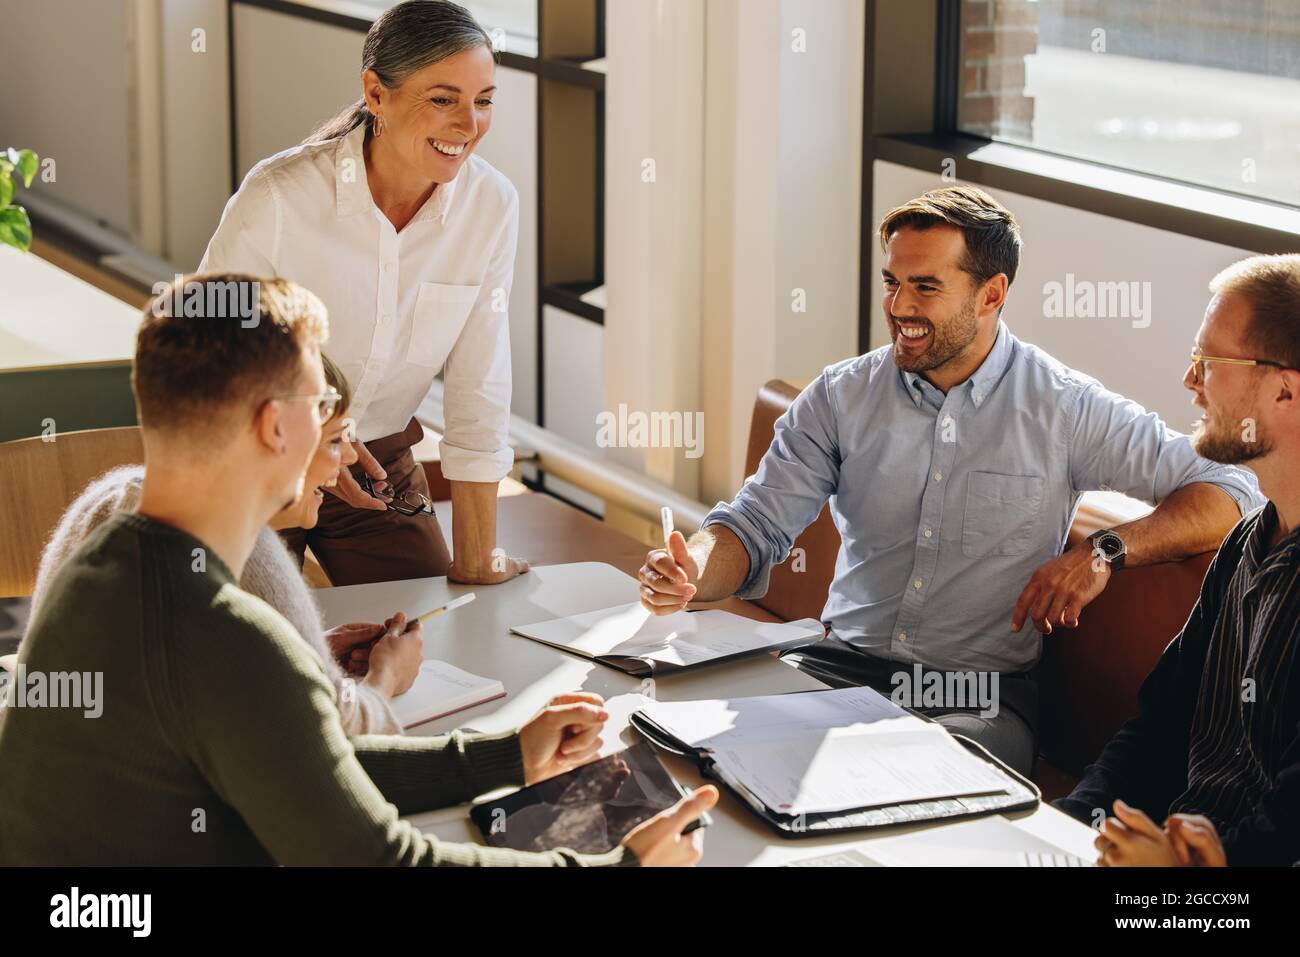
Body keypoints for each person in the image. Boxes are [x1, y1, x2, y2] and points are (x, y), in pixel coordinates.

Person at [0, 273, 716, 865]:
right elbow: (378, 860)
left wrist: (500, 759)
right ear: (276, 426)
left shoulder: (97, 569)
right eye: (322, 410)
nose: (340, 443)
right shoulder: (223, 632)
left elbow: (303, 772)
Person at [637, 186, 1262, 776]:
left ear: (991, 295)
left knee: (899, 780)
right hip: (836, 665)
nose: (899, 307)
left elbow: (1231, 488)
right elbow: (752, 528)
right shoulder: (839, 397)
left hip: (976, 699)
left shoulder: (1064, 409)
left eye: (925, 287)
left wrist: (1103, 553)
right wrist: (692, 569)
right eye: (892, 282)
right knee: (685, 746)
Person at [200, 0, 527, 588]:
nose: (468, 125)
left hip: (380, 467)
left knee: (431, 628)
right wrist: (313, 434)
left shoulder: (491, 207)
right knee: (257, 645)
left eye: (483, 101)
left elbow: (480, 386)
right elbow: (202, 349)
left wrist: (477, 559)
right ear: (376, 94)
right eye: (443, 99)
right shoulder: (280, 198)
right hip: (258, 455)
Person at [19, 355, 418, 734]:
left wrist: (298, 651)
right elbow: (331, 726)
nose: (349, 457)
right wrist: (386, 677)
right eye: (335, 440)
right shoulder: (244, 546)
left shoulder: (116, 495)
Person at [1055, 255, 1300, 867]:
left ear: (1286, 388)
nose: (1190, 381)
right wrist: (1069, 824)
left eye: (1209, 363)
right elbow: (1158, 728)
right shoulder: (1247, 544)